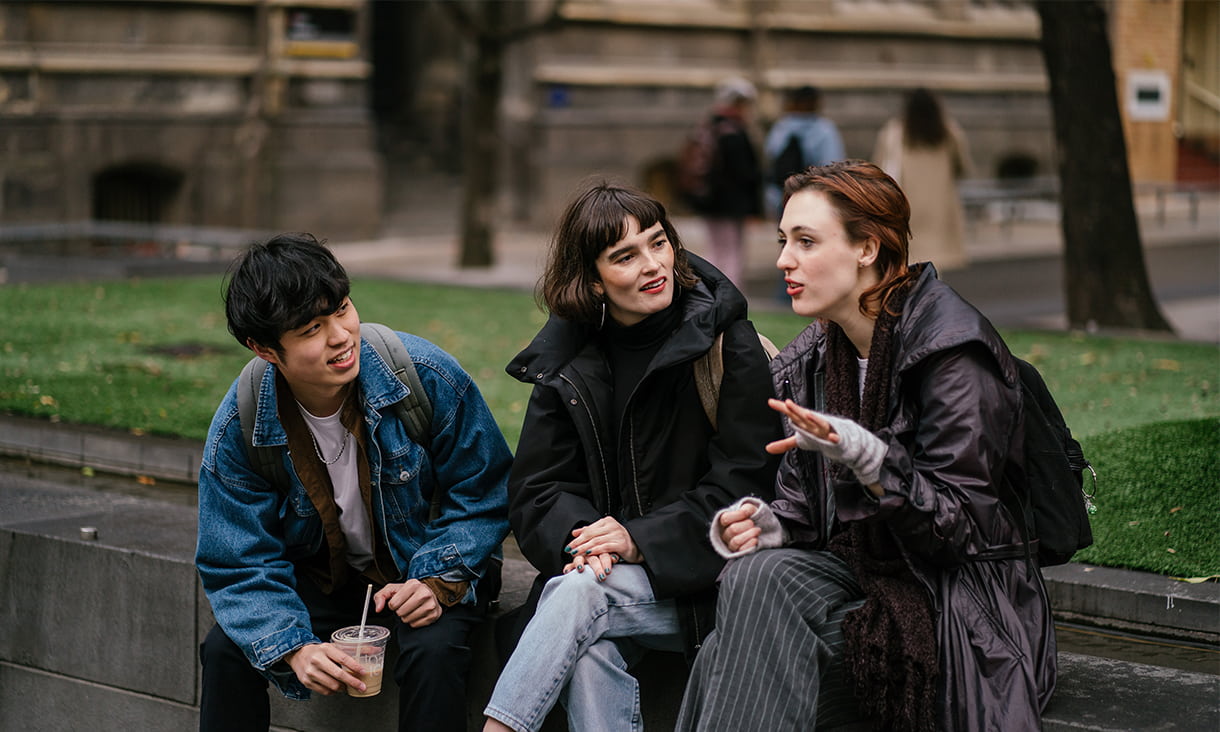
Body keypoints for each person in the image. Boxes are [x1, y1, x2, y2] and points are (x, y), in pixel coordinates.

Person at [677, 161, 1056, 731]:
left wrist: (869, 458)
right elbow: (807, 510)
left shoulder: (954, 351)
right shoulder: (810, 358)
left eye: (806, 241)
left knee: (725, 660)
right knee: (754, 575)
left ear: (867, 248)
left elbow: (957, 529)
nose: (783, 260)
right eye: (784, 241)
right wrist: (773, 524)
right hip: (858, 575)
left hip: (957, 604)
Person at [482, 182, 782, 732]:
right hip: (601, 579)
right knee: (589, 642)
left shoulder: (726, 343)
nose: (653, 265)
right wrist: (588, 540)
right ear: (593, 279)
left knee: (578, 598)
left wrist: (638, 540)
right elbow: (537, 491)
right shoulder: (568, 359)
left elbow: (748, 486)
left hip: (708, 583)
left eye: (658, 242)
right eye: (625, 256)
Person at [195, 233, 512, 732]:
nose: (341, 335)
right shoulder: (240, 426)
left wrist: (437, 579)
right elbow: (237, 561)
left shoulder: (423, 376)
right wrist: (293, 647)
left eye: (342, 309)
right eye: (311, 329)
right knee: (226, 649)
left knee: (434, 649)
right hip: (328, 580)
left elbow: (485, 489)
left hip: (426, 568)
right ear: (264, 349)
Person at [873, 87, 973, 271]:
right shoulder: (948, 131)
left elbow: (881, 169)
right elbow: (963, 166)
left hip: (907, 206)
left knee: (909, 262)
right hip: (940, 207)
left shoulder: (894, 133)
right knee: (934, 266)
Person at [689, 76, 764, 289]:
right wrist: (753, 207)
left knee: (714, 248)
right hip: (730, 204)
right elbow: (745, 173)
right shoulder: (733, 132)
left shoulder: (708, 126)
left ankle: (709, 293)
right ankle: (726, 295)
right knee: (731, 252)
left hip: (707, 200)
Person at [764, 85, 845, 219]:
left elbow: (771, 154)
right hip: (813, 193)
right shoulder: (824, 129)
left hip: (784, 192)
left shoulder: (782, 127)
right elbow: (832, 162)